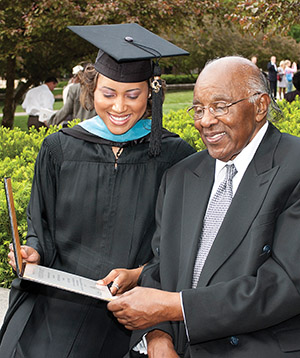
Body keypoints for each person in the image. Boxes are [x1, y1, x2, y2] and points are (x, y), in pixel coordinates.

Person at [0, 24, 195, 357]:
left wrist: (139, 274)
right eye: (108, 93)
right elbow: (41, 229)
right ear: (91, 93)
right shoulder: (58, 149)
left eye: (132, 95)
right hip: (54, 311)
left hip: (129, 315)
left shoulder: (176, 157)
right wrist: (31, 253)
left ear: (151, 94)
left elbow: (180, 245)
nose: (119, 106)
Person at [108, 56, 300, 357]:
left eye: (220, 106)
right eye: (198, 109)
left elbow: (286, 284)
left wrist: (174, 307)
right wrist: (158, 336)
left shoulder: (294, 166)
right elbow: (160, 267)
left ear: (260, 106)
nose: (205, 121)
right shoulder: (180, 177)